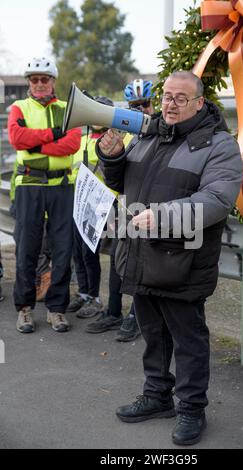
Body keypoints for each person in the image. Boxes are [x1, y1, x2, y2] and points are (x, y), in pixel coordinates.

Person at [96, 71, 243, 446]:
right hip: (142, 253)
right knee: (153, 333)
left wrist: (162, 217)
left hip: (184, 261)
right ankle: (157, 395)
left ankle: (192, 408)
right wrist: (112, 157)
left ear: (199, 103)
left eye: (180, 98)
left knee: (188, 339)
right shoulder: (149, 133)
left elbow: (217, 200)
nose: (170, 104)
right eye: (166, 97)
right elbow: (124, 183)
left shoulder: (219, 144)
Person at [8, 56, 81, 333]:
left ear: (53, 82)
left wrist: (35, 146)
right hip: (30, 184)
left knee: (63, 249)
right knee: (27, 247)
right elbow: (17, 139)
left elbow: (72, 144)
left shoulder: (68, 108)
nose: (40, 84)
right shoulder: (19, 107)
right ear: (29, 83)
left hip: (61, 186)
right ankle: (25, 309)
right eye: (35, 79)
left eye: (45, 79)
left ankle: (57, 309)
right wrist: (53, 134)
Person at [86, 79, 155, 341]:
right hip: (124, 207)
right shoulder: (124, 132)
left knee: (143, 264)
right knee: (117, 260)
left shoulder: (160, 130)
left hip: (150, 210)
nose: (140, 111)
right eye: (134, 106)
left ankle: (136, 316)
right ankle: (113, 311)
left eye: (144, 105)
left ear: (152, 103)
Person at [66, 96, 115, 319]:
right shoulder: (82, 140)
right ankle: (83, 292)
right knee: (77, 253)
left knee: (89, 254)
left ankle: (94, 297)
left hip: (102, 206)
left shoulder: (114, 140)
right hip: (80, 204)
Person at [9, 160, 52, 302]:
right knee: (23, 244)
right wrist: (14, 200)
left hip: (41, 209)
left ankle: (45, 275)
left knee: (38, 248)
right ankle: (38, 282)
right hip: (24, 204)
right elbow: (16, 177)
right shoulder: (23, 152)